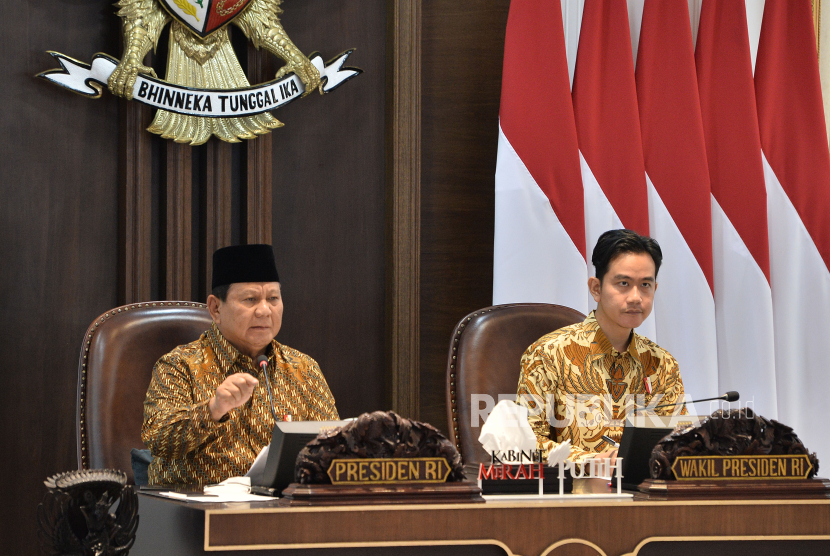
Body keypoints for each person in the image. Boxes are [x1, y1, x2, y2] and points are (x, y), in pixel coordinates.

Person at [142, 244, 339, 486]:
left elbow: (332, 448)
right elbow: (158, 440)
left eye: (273, 299)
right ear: (216, 308)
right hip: (197, 514)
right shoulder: (179, 365)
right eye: (250, 299)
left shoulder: (303, 369)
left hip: (282, 510)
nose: (265, 310)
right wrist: (213, 409)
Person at [516, 229, 686, 464]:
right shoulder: (548, 354)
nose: (636, 297)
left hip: (643, 494)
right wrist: (592, 460)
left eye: (645, 284)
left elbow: (679, 443)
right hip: (571, 493)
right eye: (624, 283)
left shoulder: (662, 364)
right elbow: (525, 444)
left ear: (654, 289)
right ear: (596, 288)